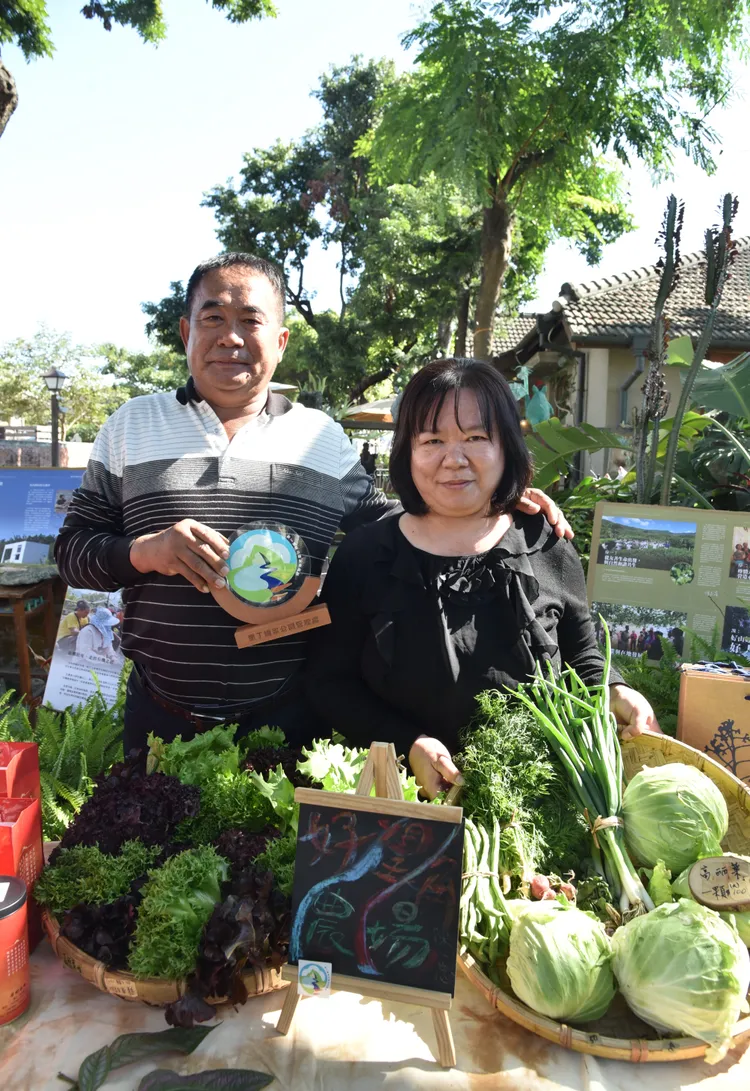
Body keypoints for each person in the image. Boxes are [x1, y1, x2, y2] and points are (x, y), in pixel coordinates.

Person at [55, 255, 569, 754]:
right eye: (212, 318)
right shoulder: (130, 425)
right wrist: (145, 552)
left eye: (250, 321)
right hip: (160, 714)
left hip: (290, 715)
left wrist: (489, 506)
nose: (230, 337)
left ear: (280, 342)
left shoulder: (319, 438)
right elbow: (72, 551)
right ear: (186, 333)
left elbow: (398, 525)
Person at [307, 358, 659, 798]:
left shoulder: (546, 542)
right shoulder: (363, 555)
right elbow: (329, 683)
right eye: (432, 439)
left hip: (536, 802)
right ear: (407, 451)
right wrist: (408, 744)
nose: (454, 459)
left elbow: (583, 656)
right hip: (401, 804)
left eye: (476, 437)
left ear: (506, 447)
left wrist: (616, 691)